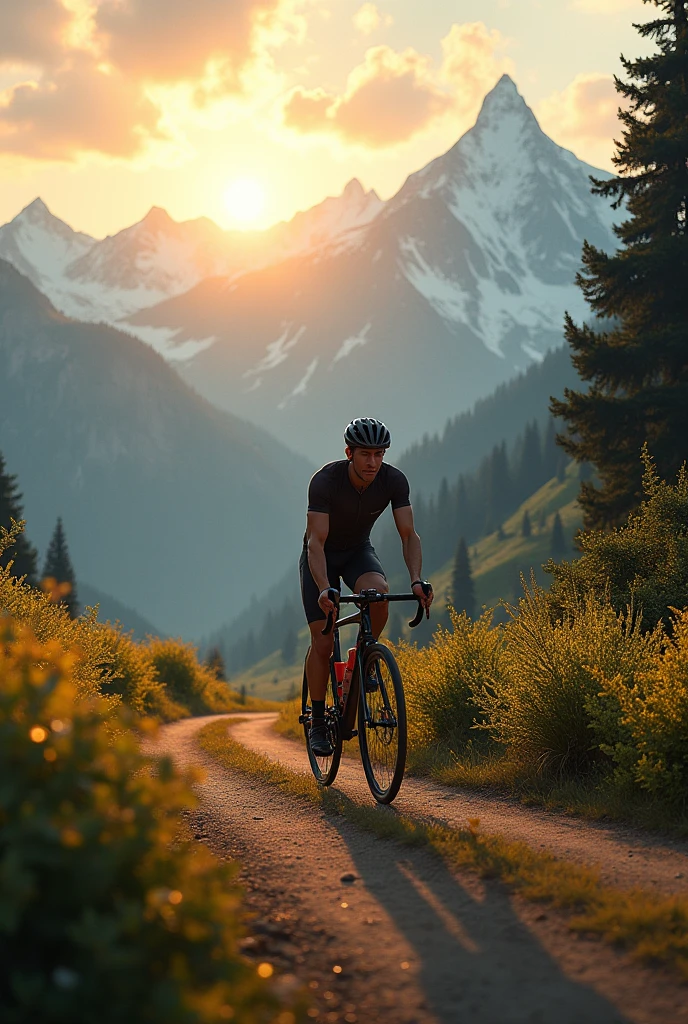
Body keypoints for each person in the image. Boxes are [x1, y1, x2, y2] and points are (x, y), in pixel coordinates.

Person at [300, 417, 433, 756]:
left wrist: (416, 580)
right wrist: (324, 587)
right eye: (365, 454)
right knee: (324, 642)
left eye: (379, 454)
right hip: (322, 557)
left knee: (379, 593)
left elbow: (409, 535)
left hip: (359, 551)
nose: (373, 462)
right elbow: (315, 542)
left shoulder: (393, 480)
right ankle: (317, 720)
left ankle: (361, 661)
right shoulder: (325, 482)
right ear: (349, 453)